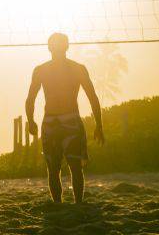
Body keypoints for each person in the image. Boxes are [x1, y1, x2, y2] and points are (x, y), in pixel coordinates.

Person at [26, 33, 105, 204]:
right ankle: (69, 204)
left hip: (64, 122)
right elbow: (30, 98)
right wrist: (30, 120)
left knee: (63, 168)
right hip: (57, 122)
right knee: (62, 168)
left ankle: (68, 204)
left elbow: (93, 97)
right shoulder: (45, 70)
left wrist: (99, 125)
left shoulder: (74, 69)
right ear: (66, 46)